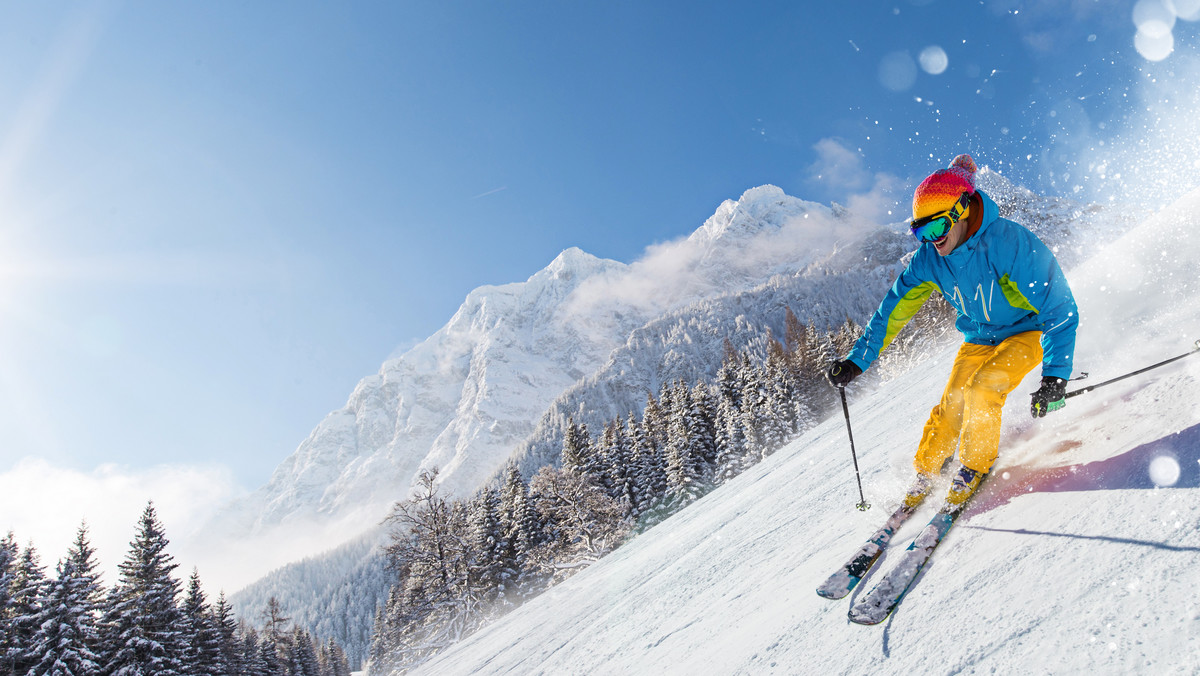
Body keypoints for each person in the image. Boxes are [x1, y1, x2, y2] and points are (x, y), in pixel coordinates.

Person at [825, 154, 1078, 510]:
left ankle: (974, 465)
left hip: (1027, 331)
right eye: (920, 232)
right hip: (978, 336)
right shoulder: (930, 259)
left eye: (936, 229)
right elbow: (893, 311)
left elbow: (1059, 306)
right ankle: (928, 469)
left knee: (983, 388)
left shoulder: (1008, 243)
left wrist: (1054, 375)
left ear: (961, 210)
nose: (931, 241)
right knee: (953, 403)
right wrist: (856, 361)